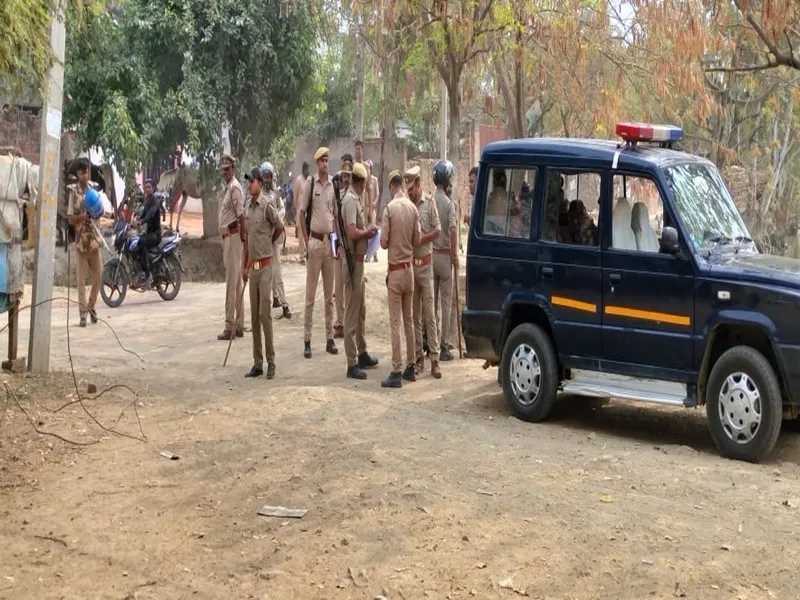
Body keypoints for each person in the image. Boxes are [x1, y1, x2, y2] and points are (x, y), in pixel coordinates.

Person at [242, 167, 284, 380]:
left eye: (252, 181)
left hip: (266, 266)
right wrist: (244, 265)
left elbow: (280, 226)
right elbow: (247, 240)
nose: (249, 185)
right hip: (253, 268)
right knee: (254, 317)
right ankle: (257, 363)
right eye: (248, 182)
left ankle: (271, 361)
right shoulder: (248, 208)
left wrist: (269, 241)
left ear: (259, 183)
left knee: (265, 315)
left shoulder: (266, 205)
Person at [380, 169, 421, 388]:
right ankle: (411, 366)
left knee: (395, 323)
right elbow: (418, 239)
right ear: (402, 186)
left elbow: (384, 242)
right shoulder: (413, 208)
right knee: (410, 320)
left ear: (390, 187)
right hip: (410, 270)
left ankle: (396, 370)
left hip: (395, 271)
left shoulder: (389, 209)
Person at [297, 147, 338, 359]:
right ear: (316, 163)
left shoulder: (333, 185)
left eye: (327, 160)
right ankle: (307, 340)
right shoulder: (310, 184)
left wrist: (337, 243)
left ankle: (330, 338)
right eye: (322, 161)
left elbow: (336, 216)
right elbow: (301, 212)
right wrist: (305, 241)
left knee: (329, 297)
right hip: (314, 242)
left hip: (328, 243)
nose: (325, 164)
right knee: (310, 296)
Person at [340, 162, 380, 379]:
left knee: (361, 310)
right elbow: (352, 232)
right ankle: (351, 361)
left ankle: (362, 352)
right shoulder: (349, 201)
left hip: (359, 262)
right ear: (361, 182)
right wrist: (368, 232)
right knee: (352, 313)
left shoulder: (355, 199)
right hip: (353, 263)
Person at [406, 166, 442, 379]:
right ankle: (418, 356)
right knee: (414, 315)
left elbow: (437, 230)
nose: (410, 192)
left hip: (426, 265)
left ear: (419, 184)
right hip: (411, 265)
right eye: (408, 189)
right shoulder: (407, 207)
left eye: (412, 187)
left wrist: (421, 238)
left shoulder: (429, 204)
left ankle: (435, 359)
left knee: (430, 314)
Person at [66, 158, 102, 328]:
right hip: (81, 242)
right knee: (81, 282)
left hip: (94, 241)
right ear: (77, 175)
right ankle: (82, 315)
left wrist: (96, 213)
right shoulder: (73, 193)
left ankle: (92, 305)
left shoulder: (93, 191)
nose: (84, 175)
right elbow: (71, 219)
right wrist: (82, 217)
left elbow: (99, 212)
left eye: (86, 172)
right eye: (82, 173)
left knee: (98, 278)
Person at [217, 154, 246, 340]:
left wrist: (244, 239)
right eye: (223, 170)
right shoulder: (229, 188)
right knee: (236, 282)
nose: (225, 173)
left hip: (234, 236)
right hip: (229, 237)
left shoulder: (235, 188)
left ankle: (230, 325)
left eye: (228, 170)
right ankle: (239, 324)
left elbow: (241, 216)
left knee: (232, 282)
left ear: (233, 170)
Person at [431, 161, 457, 363]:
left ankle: (430, 341)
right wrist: (455, 255)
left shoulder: (429, 201)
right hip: (445, 257)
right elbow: (453, 230)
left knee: (431, 302)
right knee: (446, 303)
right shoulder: (449, 204)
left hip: (430, 256)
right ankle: (445, 345)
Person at [261, 161, 291, 320]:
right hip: (263, 239)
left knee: (277, 272)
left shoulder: (275, 193)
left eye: (268, 176)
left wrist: (277, 218)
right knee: (265, 273)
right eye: (264, 176)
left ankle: (284, 305)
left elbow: (282, 209)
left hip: (275, 237)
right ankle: (270, 302)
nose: (266, 179)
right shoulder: (259, 194)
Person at [333, 154, 354, 339]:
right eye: (344, 175)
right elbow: (334, 221)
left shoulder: (354, 196)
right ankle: (339, 322)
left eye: (349, 175)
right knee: (338, 287)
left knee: (351, 287)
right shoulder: (337, 195)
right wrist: (337, 244)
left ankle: (349, 322)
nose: (346, 179)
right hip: (340, 246)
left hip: (352, 248)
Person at [132, 178, 162, 287]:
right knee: (136, 243)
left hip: (156, 234)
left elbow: (150, 214)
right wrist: (134, 222)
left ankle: (148, 275)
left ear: (153, 188)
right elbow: (144, 214)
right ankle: (141, 272)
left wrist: (141, 222)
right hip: (149, 233)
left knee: (142, 241)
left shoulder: (155, 201)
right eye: (145, 187)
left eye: (149, 187)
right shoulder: (147, 201)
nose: (147, 189)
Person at [292, 162, 310, 265]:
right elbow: (295, 196)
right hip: (300, 210)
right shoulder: (299, 180)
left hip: (308, 211)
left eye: (308, 169)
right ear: (303, 169)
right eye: (306, 169)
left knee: (308, 232)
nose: (307, 171)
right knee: (301, 234)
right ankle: (301, 255)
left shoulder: (310, 180)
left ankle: (308, 252)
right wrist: (295, 208)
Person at [365, 160, 380, 261]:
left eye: (369, 168)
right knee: (365, 231)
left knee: (373, 231)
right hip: (364, 208)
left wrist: (374, 203)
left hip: (372, 208)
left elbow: (377, 194)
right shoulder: (364, 180)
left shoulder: (374, 180)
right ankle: (367, 254)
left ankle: (374, 254)